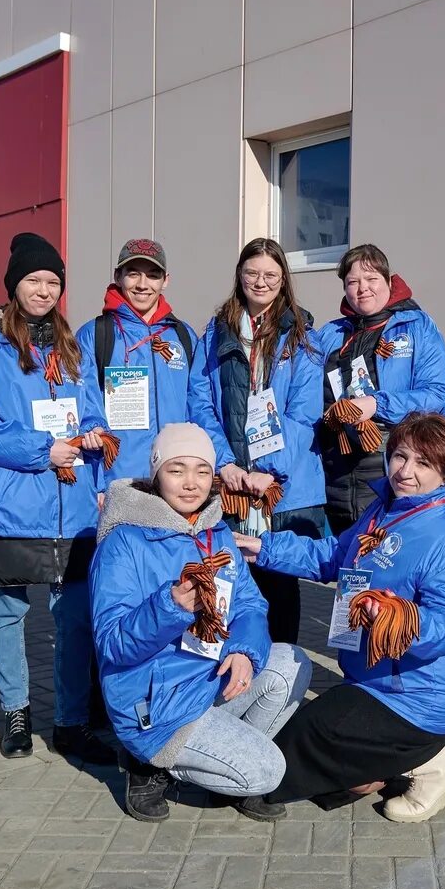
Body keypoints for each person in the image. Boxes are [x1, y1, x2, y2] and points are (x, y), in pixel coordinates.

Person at [237, 415, 445, 822]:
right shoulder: (385, 509)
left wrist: (395, 616)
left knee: (311, 736)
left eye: (423, 464)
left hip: (418, 695)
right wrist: (262, 549)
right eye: (400, 456)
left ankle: (433, 760)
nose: (405, 471)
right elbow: (335, 557)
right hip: (372, 678)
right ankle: (392, 767)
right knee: (335, 753)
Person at [91, 423, 310, 823]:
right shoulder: (123, 542)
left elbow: (249, 605)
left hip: (206, 677)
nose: (190, 483)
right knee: (268, 770)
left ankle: (226, 768)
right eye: (177, 470)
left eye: (202, 471)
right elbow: (112, 645)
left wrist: (244, 651)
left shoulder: (216, 532)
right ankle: (148, 764)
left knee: (291, 663)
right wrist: (171, 606)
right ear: (156, 474)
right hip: (156, 703)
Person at [0, 233, 117, 764]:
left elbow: (92, 409)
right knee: (6, 613)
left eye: (52, 282)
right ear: (13, 286)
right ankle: (16, 712)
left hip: (71, 505)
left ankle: (70, 721)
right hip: (6, 502)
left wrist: (92, 435)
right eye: (33, 280)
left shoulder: (70, 347)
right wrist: (41, 450)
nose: (44, 290)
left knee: (74, 619)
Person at [189, 238, 326, 645]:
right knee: (229, 580)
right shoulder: (216, 331)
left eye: (270, 274)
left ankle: (282, 680)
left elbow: (303, 412)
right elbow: (200, 399)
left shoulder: (302, 334)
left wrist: (268, 472)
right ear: (240, 276)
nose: (260, 282)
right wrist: (224, 463)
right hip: (229, 482)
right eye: (252, 273)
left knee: (279, 581)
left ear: (283, 280)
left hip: (279, 485)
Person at [315, 245, 445, 535]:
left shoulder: (417, 327)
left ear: (389, 281)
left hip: (392, 472)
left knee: (390, 565)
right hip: (337, 476)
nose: (362, 288)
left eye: (371, 278)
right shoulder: (329, 334)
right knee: (349, 568)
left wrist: (375, 404)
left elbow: (437, 395)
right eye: (352, 282)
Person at [79, 239, 206, 488]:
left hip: (176, 480)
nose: (142, 285)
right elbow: (82, 397)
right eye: (133, 274)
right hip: (118, 479)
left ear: (165, 280)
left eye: (153, 275)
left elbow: (198, 403)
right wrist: (93, 428)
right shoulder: (95, 334)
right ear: (118, 276)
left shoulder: (183, 336)